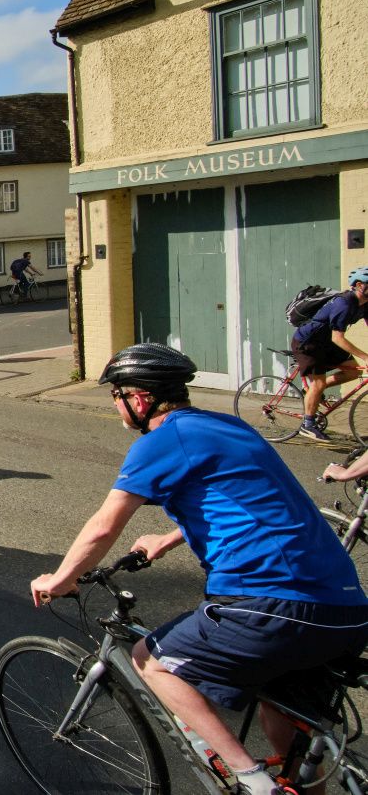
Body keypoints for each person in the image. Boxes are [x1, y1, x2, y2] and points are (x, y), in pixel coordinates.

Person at [30, 343, 368, 795]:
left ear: (140, 397)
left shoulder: (162, 440)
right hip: (345, 607)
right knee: (283, 720)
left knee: (150, 660)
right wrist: (167, 539)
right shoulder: (228, 426)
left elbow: (103, 527)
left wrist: (60, 580)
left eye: (117, 395)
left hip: (273, 603)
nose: (116, 406)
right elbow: (252, 503)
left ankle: (252, 782)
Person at [291, 267, 368, 441]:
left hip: (326, 343)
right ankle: (307, 425)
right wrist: (365, 356)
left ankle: (312, 392)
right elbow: (338, 338)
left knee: (354, 371)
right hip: (308, 343)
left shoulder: (365, 305)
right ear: (358, 285)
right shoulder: (344, 303)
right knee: (319, 383)